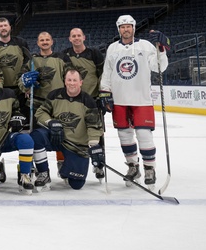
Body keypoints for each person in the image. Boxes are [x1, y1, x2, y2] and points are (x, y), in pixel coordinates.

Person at [100, 15, 170, 185]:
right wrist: (105, 92)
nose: (126, 29)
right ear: (119, 29)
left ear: (133, 28)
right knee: (124, 135)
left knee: (144, 134)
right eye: (122, 27)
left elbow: (159, 67)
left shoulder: (146, 46)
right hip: (119, 99)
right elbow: (107, 72)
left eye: (129, 26)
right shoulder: (112, 48)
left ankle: (149, 169)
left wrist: (161, 48)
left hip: (141, 99)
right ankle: (133, 167)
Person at [30, 68, 104, 190]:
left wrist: (94, 145)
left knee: (76, 184)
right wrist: (51, 122)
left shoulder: (88, 101)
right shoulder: (55, 95)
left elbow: (93, 126)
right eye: (69, 80)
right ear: (65, 81)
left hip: (75, 145)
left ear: (81, 82)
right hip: (56, 137)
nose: (71, 83)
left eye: (75, 80)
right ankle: (43, 173)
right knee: (36, 137)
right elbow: (41, 112)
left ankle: (67, 167)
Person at [63, 27, 106, 179]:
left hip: (92, 99)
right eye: (73, 36)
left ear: (84, 37)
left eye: (78, 35)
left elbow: (103, 75)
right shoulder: (65, 54)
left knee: (97, 132)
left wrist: (103, 95)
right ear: (69, 38)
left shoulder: (94, 53)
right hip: (73, 100)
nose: (76, 38)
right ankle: (66, 163)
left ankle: (100, 164)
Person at [0, 17, 32, 92]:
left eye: (5, 25)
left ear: (10, 27)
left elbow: (28, 62)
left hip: (19, 88)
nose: (3, 28)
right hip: (0, 88)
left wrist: (25, 84)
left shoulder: (21, 42)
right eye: (0, 26)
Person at [21, 31, 69, 102]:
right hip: (37, 101)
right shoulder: (31, 59)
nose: (45, 42)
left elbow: (71, 76)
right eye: (42, 40)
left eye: (47, 40)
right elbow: (21, 77)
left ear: (52, 42)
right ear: (38, 43)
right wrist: (25, 86)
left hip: (57, 100)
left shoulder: (62, 58)